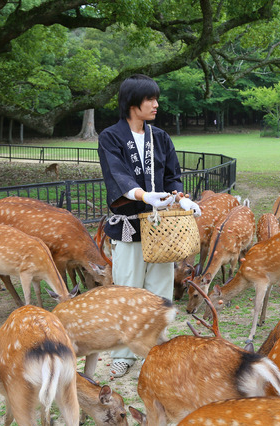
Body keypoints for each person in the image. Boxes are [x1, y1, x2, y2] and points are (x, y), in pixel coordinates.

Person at [97, 74, 201, 378]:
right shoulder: (110, 137)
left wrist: (179, 198)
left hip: (162, 229)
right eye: (149, 99)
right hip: (130, 226)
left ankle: (156, 347)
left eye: (156, 99)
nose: (156, 104)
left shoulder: (162, 137)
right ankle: (123, 353)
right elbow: (116, 175)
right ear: (132, 104)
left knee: (159, 290)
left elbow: (172, 176)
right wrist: (144, 196)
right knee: (129, 289)